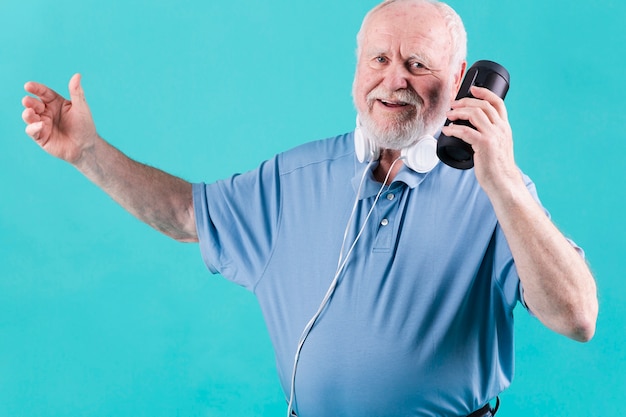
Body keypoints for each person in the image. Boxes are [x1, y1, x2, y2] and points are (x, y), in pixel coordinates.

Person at [21, 0, 598, 416]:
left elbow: (577, 317)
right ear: (357, 72)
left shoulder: (499, 191)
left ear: (460, 81)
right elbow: (183, 214)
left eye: (417, 64)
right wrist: (89, 153)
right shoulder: (294, 176)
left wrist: (500, 180)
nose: (392, 79)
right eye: (378, 59)